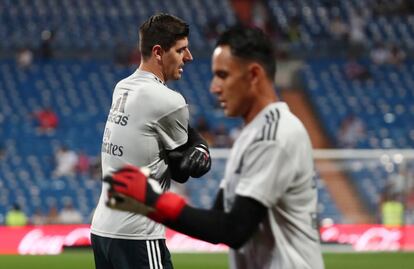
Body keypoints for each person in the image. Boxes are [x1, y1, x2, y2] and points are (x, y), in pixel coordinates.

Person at [105, 25, 324, 269]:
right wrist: (154, 202)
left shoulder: (276, 134)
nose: (214, 87)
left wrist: (154, 201)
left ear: (253, 75)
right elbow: (218, 222)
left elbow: (234, 229)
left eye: (223, 75)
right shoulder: (251, 135)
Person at [90, 13, 211, 269]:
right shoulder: (169, 101)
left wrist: (196, 147)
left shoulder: (122, 87)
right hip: (138, 234)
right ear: (158, 52)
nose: (188, 57)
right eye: (181, 50)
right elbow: (181, 172)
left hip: (103, 230)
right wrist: (201, 149)